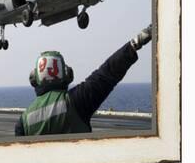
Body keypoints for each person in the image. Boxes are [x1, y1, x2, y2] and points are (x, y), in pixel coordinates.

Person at [15, 24, 152, 136]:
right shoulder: (78, 100)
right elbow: (107, 72)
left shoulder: (24, 121)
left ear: (34, 80)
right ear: (67, 75)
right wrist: (137, 42)